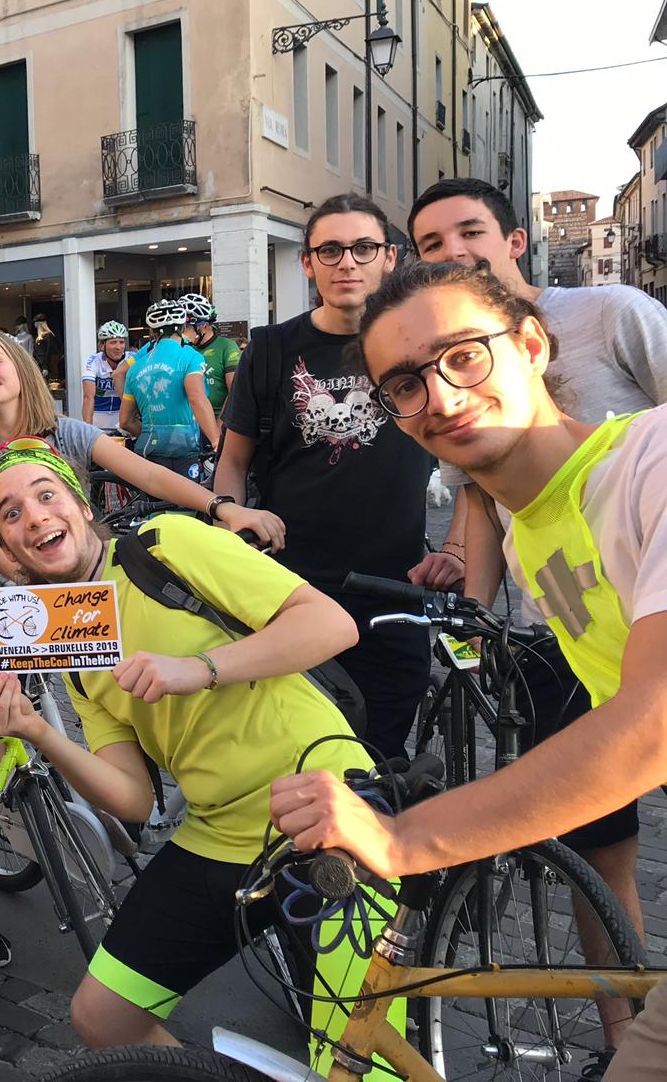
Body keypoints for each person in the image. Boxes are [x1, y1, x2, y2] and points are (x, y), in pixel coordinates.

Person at [271, 257, 667, 1082]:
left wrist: (403, 838)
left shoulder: (650, 461)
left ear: (532, 345)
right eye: (406, 383)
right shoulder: (530, 529)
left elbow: (653, 720)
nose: (442, 397)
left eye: (463, 356)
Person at [0, 440, 379, 1059]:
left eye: (46, 494)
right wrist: (40, 734)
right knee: (102, 1016)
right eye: (10, 512)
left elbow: (330, 624)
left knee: (357, 1058)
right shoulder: (68, 643)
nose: (34, 517)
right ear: (6, 546)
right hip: (218, 832)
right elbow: (133, 800)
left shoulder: (165, 545)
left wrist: (201, 668)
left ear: (82, 505)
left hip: (322, 797)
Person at [0, 327, 286, 960]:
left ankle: (134, 815)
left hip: (87, 598)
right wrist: (34, 576)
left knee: (123, 705)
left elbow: (146, 473)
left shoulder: (68, 433)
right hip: (7, 610)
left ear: (19, 367)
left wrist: (221, 508)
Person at [411, 176, 667, 943]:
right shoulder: (445, 374)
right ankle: (622, 1013)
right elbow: (478, 502)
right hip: (556, 626)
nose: (453, 251)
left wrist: (409, 838)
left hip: (648, 598)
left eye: (469, 232)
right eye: (431, 243)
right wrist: (473, 618)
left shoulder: (611, 313)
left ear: (515, 240)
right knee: (592, 850)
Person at [214, 193, 457, 761]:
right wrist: (230, 524)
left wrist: (460, 547)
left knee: (384, 760)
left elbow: (462, 452)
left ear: (389, 257)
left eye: (363, 248)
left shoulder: (419, 345)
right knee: (303, 754)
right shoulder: (272, 349)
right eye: (330, 250)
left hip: (396, 588)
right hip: (293, 591)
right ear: (308, 263)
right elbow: (233, 459)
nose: (347, 262)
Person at [119, 299, 218, 469]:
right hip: (184, 448)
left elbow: (125, 421)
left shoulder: (135, 368)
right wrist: (216, 440)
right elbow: (197, 399)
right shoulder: (191, 357)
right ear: (182, 327)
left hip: (148, 448)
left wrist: (151, 434)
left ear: (152, 332)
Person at [177, 293, 239, 423]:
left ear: (204, 326)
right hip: (188, 422)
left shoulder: (226, 346)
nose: (183, 332)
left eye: (187, 327)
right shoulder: (183, 347)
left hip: (217, 419)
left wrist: (218, 427)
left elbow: (235, 392)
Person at [81, 320, 129, 432]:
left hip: (123, 417)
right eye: (113, 342)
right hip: (99, 417)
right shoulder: (93, 361)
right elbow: (88, 397)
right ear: (102, 346)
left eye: (121, 342)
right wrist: (88, 430)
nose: (118, 347)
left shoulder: (131, 359)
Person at [31, 312, 60, 381]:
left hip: (45, 365)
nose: (34, 324)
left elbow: (48, 352)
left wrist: (45, 367)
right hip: (38, 364)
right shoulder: (38, 337)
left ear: (39, 323)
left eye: (35, 322)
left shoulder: (48, 336)